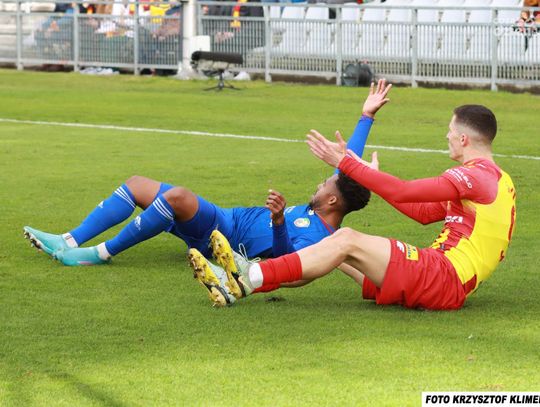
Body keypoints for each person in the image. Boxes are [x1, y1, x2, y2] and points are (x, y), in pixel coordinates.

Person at [24, 81, 392, 282]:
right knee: (137, 184)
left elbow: (287, 263)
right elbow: (350, 165)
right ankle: (69, 239)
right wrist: (366, 117)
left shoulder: (323, 240)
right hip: (225, 218)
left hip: (224, 236)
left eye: (325, 185)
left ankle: (98, 255)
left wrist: (279, 221)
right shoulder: (329, 202)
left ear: (332, 201)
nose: (320, 184)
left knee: (178, 197)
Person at [190, 103, 516, 310]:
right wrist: (368, 175)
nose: (447, 136)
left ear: (463, 139)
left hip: (443, 276)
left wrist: (348, 164)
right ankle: (238, 283)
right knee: (332, 245)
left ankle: (249, 275)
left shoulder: (476, 176)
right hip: (445, 280)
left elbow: (404, 192)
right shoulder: (497, 180)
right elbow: (422, 213)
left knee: (345, 239)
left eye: (450, 131)